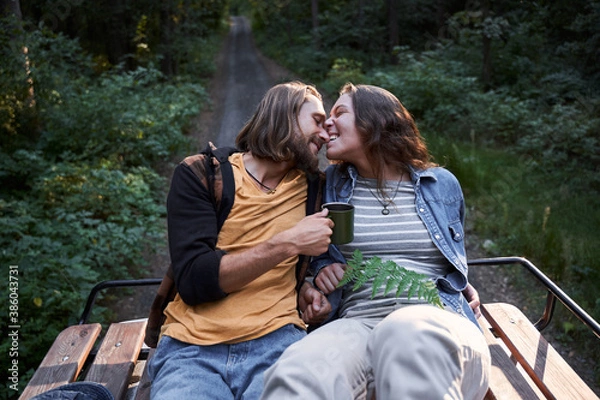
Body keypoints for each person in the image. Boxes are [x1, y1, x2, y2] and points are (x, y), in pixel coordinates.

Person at [261, 83, 491, 400]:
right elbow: (313, 249)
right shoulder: (327, 187)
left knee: (405, 333)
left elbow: (452, 261)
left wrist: (463, 285)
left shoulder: (441, 185)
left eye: (339, 113)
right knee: (297, 371)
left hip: (436, 326)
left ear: (377, 121)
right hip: (357, 327)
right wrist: (323, 271)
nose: (327, 123)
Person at [148, 81, 334, 399]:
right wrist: (287, 244)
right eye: (317, 121)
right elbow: (193, 281)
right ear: (284, 113)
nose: (326, 135)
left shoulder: (318, 188)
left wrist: (308, 286)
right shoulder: (201, 175)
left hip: (279, 345)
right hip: (193, 349)